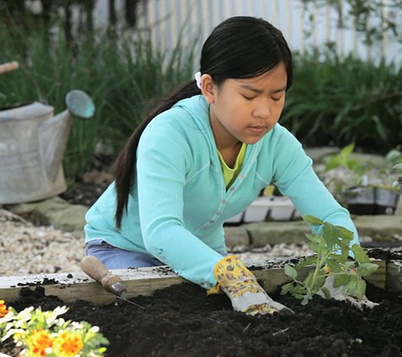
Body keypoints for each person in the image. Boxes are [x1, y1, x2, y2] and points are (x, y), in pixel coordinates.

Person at [83, 16, 359, 315]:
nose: (264, 112)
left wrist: (342, 268)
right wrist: (231, 276)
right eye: (249, 95)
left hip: (204, 255)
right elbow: (161, 230)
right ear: (210, 87)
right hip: (126, 249)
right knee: (161, 320)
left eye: (277, 96)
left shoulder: (277, 145)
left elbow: (329, 215)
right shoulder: (171, 134)